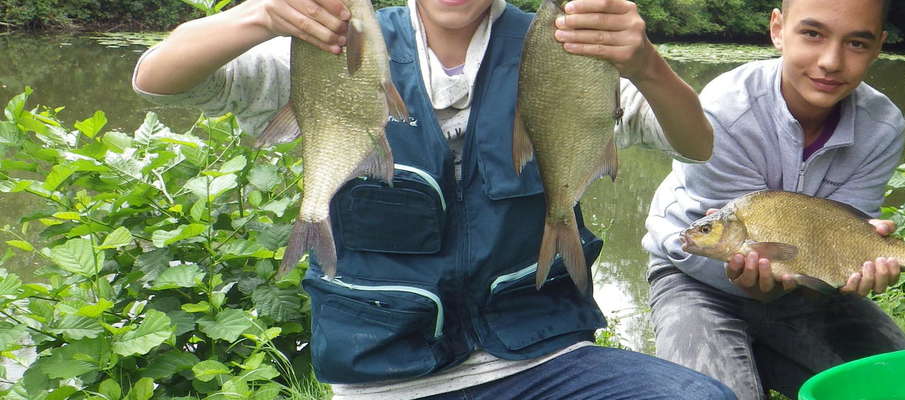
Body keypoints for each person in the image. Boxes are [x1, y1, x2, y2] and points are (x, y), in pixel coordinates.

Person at [131, 0, 734, 399]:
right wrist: (261, 15)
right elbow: (159, 79)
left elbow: (694, 143)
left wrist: (647, 64)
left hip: (542, 363)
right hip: (387, 378)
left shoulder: (561, 46)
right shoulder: (334, 40)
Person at [639, 0, 905, 398]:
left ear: (878, 47)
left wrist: (858, 261)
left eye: (856, 43)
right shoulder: (724, 110)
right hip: (695, 280)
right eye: (813, 34)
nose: (831, 61)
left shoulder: (882, 126)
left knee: (903, 387)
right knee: (710, 393)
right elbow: (725, 239)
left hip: (805, 284)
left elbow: (848, 233)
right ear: (778, 29)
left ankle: (765, 358)